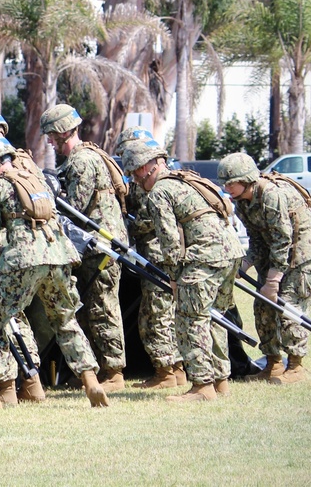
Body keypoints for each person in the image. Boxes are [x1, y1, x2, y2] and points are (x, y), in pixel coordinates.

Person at [0, 135, 110, 409]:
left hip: (23, 259)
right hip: (59, 255)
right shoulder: (37, 180)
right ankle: (91, 381)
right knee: (65, 320)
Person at [122, 140, 244, 402]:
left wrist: (174, 278)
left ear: (144, 168)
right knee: (215, 318)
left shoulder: (160, 191)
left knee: (191, 320)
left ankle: (202, 386)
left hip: (204, 256)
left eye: (133, 173)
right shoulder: (187, 179)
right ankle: (221, 381)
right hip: (230, 251)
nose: (134, 179)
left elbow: (169, 240)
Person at [218, 152, 311, 384]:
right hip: (277, 254)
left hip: (303, 255)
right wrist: (244, 265)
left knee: (288, 305)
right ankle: (273, 364)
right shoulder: (242, 203)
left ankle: (296, 366)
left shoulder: (271, 195)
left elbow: (282, 240)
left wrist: (273, 281)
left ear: (246, 179)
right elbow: (256, 240)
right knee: (263, 306)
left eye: (231, 183)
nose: (226, 188)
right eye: (224, 183)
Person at [41, 104, 128, 392]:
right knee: (92, 308)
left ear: (65, 131)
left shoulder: (81, 161)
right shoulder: (89, 156)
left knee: (103, 308)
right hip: (97, 245)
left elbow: (75, 211)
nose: (49, 141)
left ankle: (114, 373)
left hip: (100, 246)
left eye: (52, 135)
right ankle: (102, 370)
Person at [114, 128, 186, 390]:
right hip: (160, 256)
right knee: (165, 315)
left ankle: (166, 372)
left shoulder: (158, 184)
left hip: (159, 257)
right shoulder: (154, 179)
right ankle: (175, 370)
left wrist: (126, 228)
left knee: (155, 317)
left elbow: (153, 223)